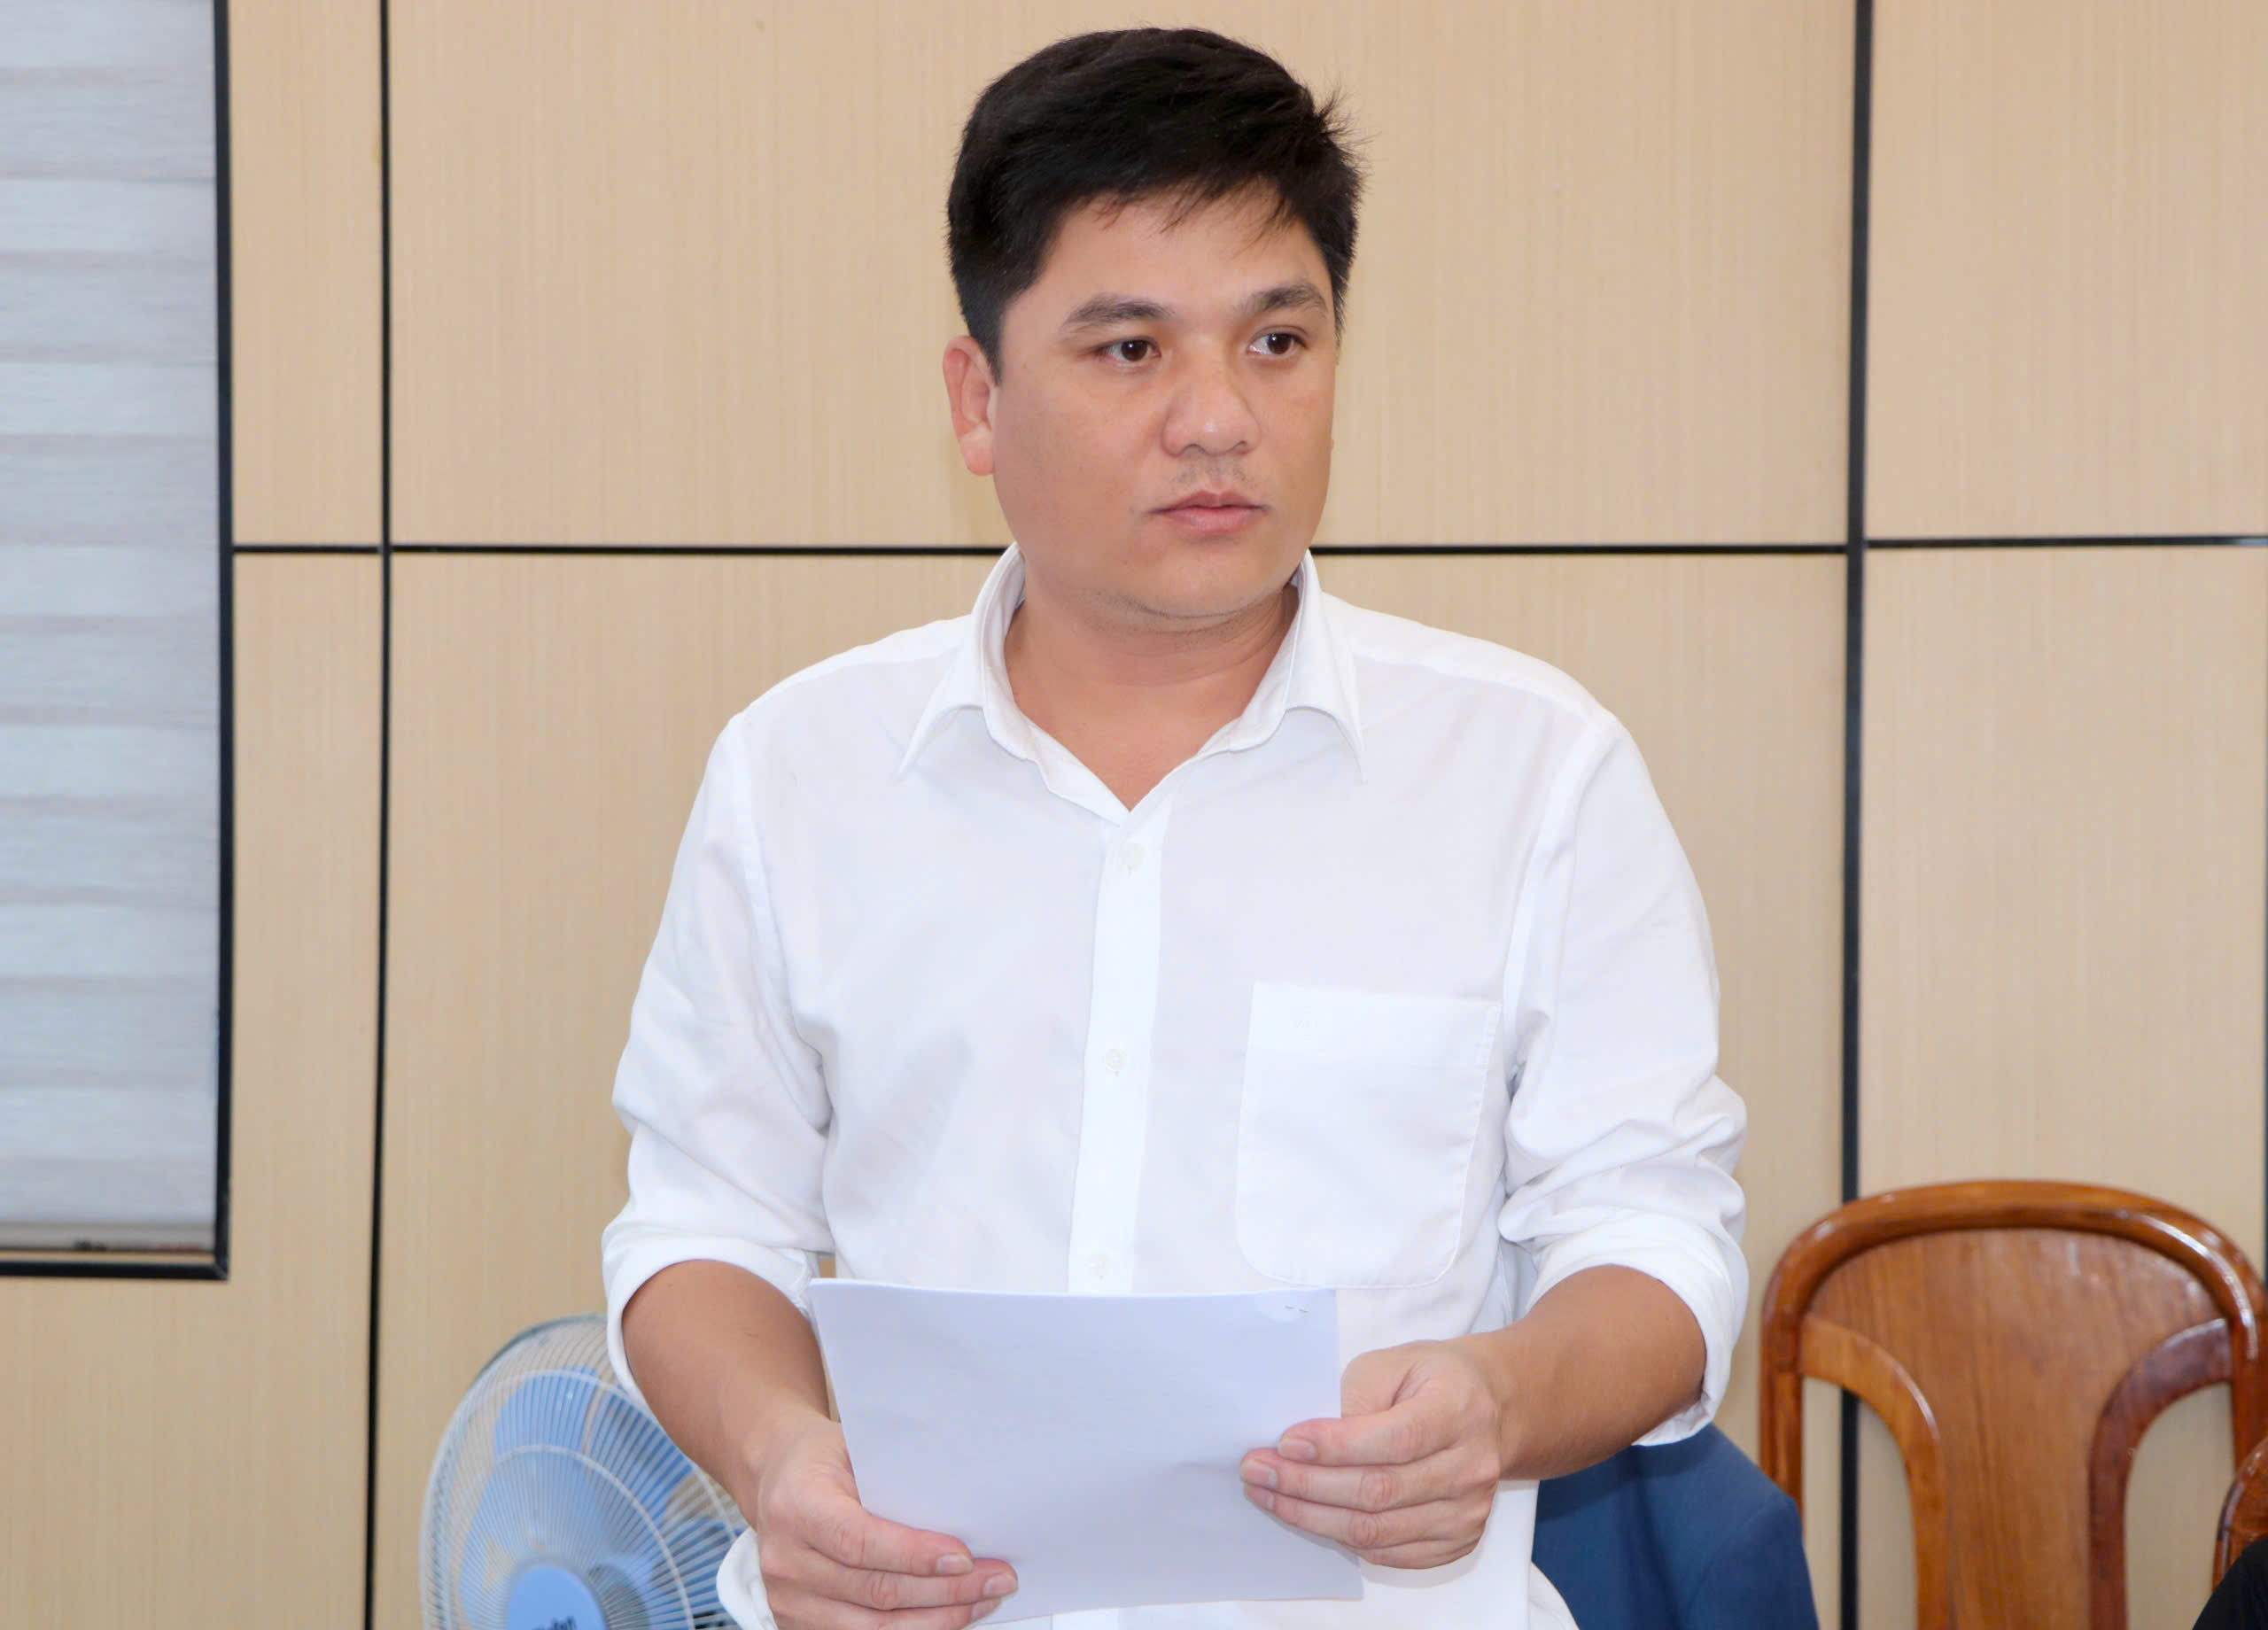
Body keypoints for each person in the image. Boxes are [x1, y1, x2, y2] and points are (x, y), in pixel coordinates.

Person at [602, 26, 1747, 1630]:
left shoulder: (1534, 770)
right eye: (1131, 349)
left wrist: (1500, 1398)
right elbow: (703, 1224)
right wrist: (780, 1451)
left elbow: (1654, 1236)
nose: (1219, 418)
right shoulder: (799, 770)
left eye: (1278, 341)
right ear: (978, 400)